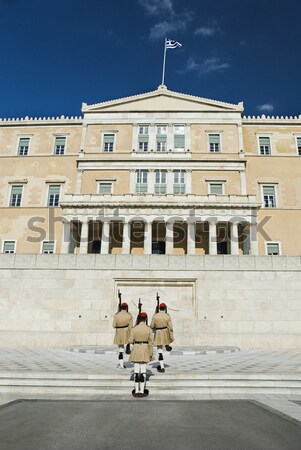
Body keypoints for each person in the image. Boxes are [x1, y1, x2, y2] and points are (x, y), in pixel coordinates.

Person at [129, 312, 153, 398]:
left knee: (136, 371)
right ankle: (142, 391)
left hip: (136, 348)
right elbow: (151, 343)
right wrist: (150, 354)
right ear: (146, 319)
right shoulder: (148, 329)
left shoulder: (134, 329)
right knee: (143, 371)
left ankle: (136, 390)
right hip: (145, 348)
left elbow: (131, 341)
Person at [150, 303, 174, 373]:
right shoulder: (167, 316)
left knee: (159, 350)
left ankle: (162, 366)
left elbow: (151, 326)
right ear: (165, 308)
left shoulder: (155, 316)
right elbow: (171, 327)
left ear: (159, 308)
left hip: (158, 333)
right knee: (164, 344)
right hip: (165, 332)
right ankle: (167, 345)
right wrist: (171, 336)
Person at [112, 302, 133, 369]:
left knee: (120, 348)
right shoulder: (129, 315)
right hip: (126, 331)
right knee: (125, 346)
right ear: (126, 308)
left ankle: (121, 364)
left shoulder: (117, 315)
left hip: (119, 332)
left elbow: (114, 325)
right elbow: (131, 326)